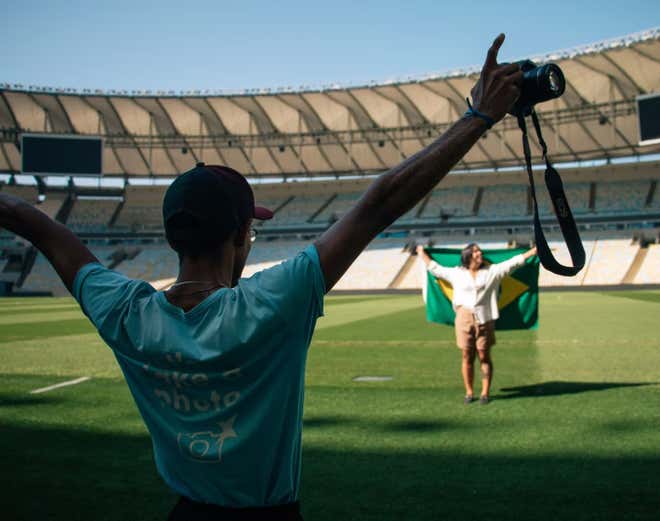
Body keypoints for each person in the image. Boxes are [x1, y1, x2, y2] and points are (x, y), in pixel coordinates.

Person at [0, 34, 524, 520]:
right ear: (239, 237)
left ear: (172, 237)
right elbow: (378, 204)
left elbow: (42, 229)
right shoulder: (272, 302)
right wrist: (477, 117)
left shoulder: (125, 312)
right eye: (250, 229)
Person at [416, 243, 537, 405]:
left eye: (479, 250)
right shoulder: (456, 273)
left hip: (485, 318)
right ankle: (469, 392)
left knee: (483, 355)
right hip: (463, 318)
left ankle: (485, 393)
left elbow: (514, 262)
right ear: (467, 256)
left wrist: (534, 251)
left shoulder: (492, 271)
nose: (479, 253)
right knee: (467, 355)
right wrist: (421, 252)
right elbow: (434, 267)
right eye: (475, 251)